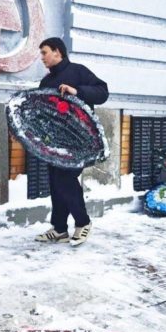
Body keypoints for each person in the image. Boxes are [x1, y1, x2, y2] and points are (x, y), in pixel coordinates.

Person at [34, 37, 109, 246]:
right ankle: (59, 229)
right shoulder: (46, 82)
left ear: (57, 52)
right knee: (55, 183)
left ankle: (83, 222)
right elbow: (41, 113)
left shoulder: (78, 71)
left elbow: (103, 92)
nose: (42, 58)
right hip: (55, 142)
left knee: (64, 181)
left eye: (44, 52)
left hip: (78, 140)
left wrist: (78, 91)